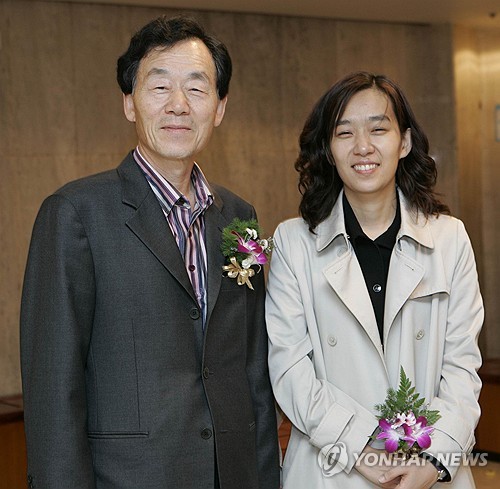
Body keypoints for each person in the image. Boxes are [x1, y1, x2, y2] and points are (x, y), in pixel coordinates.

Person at [20, 15, 279, 489]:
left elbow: (250, 370)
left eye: (197, 90)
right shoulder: (75, 214)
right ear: (129, 103)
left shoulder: (239, 217)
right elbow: (54, 387)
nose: (178, 105)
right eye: (159, 87)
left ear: (219, 108)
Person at [266, 71, 483, 488]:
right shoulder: (294, 243)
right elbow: (289, 368)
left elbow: (462, 366)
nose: (363, 147)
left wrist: (436, 460)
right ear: (328, 150)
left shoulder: (449, 238)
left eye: (378, 129)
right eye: (344, 133)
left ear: (403, 142)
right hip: (332, 468)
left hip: (428, 469)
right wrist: (359, 446)